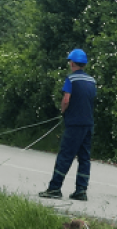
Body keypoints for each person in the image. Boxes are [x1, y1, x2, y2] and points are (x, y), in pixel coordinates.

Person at [39, 49, 97, 202]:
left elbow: (66, 99)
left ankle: (54, 188)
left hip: (74, 124)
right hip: (88, 123)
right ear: (84, 64)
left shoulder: (71, 80)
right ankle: (81, 190)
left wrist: (63, 112)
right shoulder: (92, 81)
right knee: (84, 158)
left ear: (72, 63)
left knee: (65, 156)